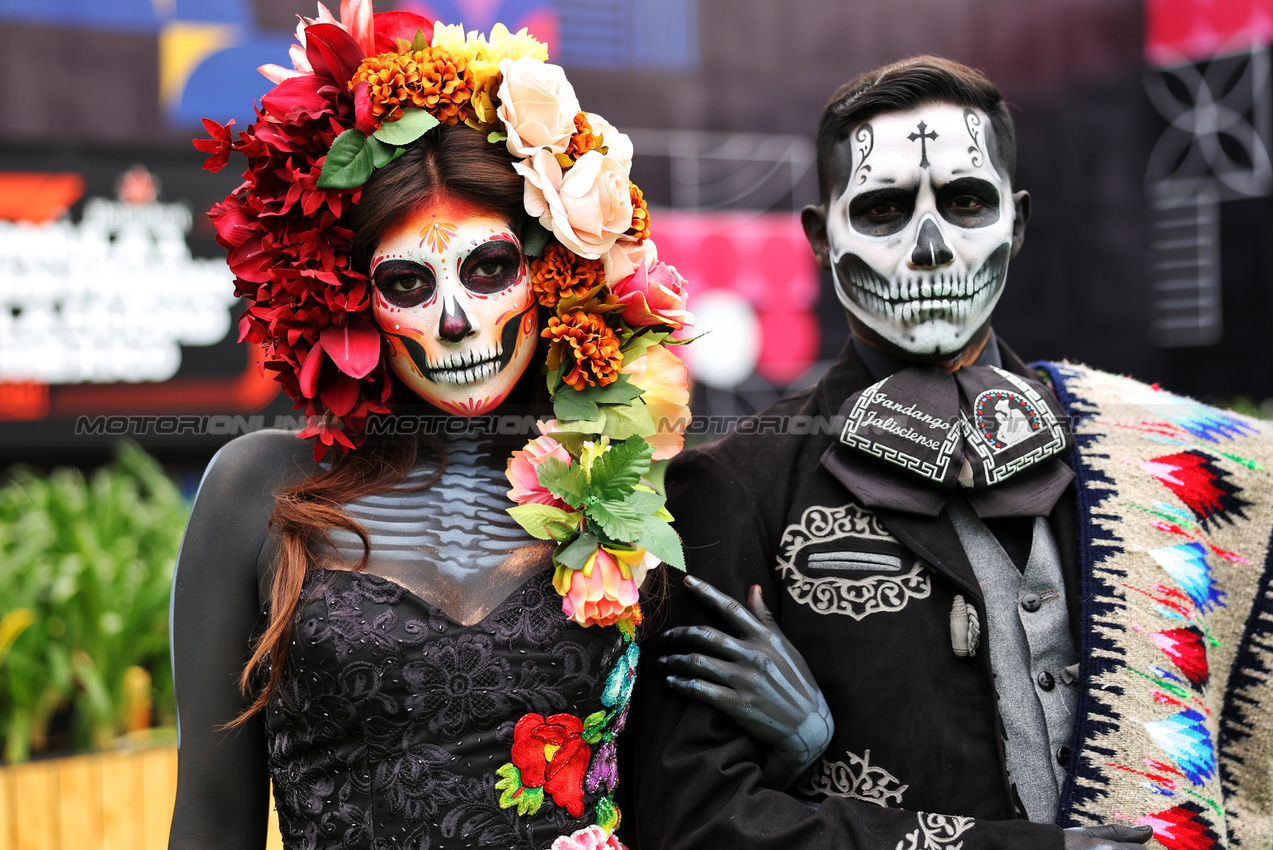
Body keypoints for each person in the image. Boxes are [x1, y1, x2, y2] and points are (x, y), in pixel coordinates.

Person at [631, 56, 1273, 850]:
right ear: (817, 236)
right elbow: (689, 819)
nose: (929, 248)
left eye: (966, 203)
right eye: (882, 209)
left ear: (1018, 222)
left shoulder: (1141, 458)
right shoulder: (733, 486)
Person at [166, 5, 732, 848]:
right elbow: (212, 821)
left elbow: (680, 793)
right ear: (349, 303)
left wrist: (803, 742)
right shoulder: (261, 489)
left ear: (551, 271)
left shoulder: (628, 485)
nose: (459, 319)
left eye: (490, 267)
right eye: (407, 284)